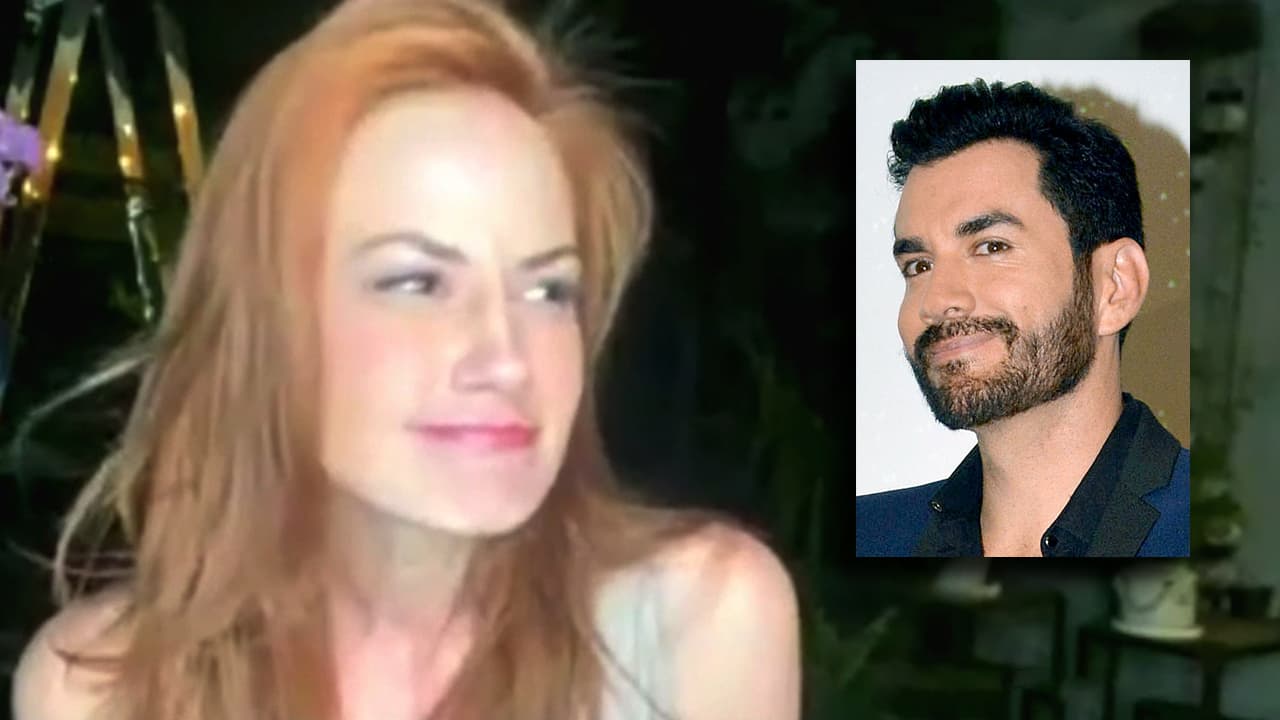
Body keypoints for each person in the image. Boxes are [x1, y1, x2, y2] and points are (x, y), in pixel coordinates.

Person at [10, 1, 801, 718]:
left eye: (548, 290)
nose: (506, 358)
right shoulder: (99, 690)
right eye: (418, 282)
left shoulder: (696, 629)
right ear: (267, 321)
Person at [855, 79, 1189, 558]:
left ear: (1115, 287)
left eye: (991, 247)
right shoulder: (865, 537)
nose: (937, 299)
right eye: (919, 266)